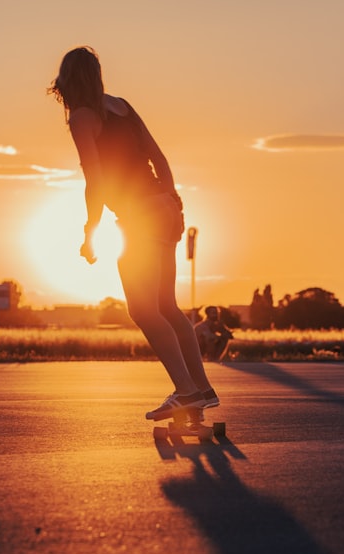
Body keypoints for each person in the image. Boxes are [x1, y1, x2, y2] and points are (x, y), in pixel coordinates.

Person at [49, 46, 218, 420]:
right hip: (165, 208)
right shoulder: (122, 106)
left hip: (140, 215)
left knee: (142, 310)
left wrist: (90, 231)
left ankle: (187, 391)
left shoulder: (82, 117)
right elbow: (160, 159)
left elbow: (95, 181)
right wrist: (174, 200)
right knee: (167, 308)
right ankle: (201, 389)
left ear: (67, 80)